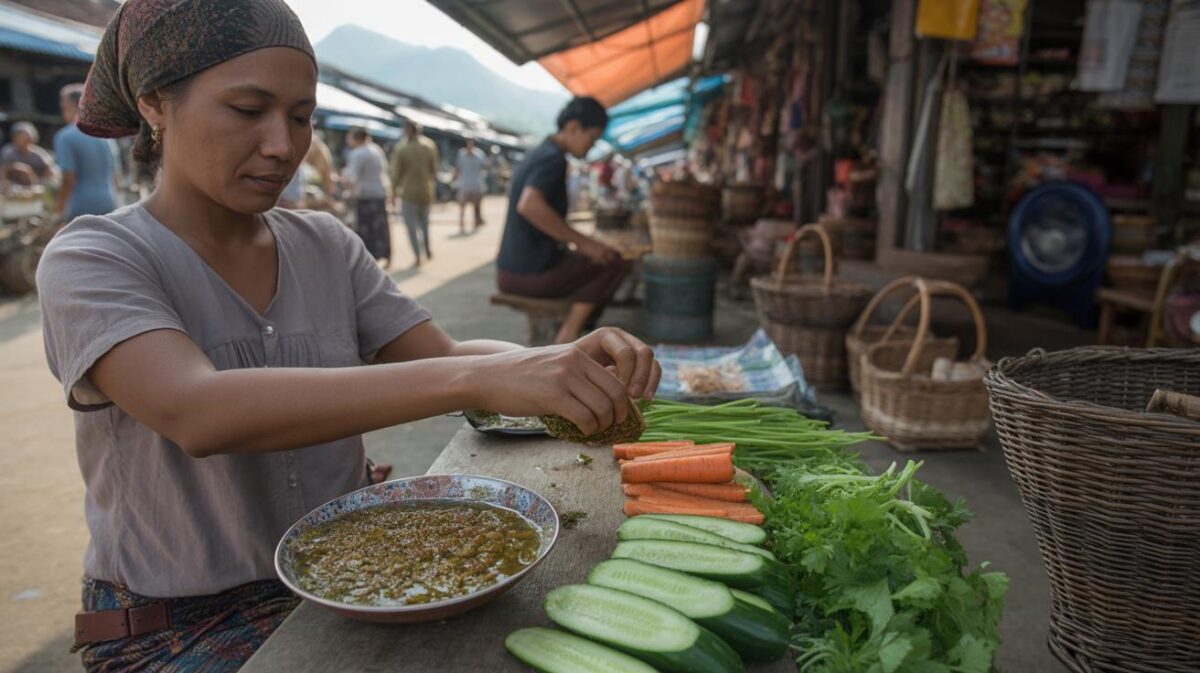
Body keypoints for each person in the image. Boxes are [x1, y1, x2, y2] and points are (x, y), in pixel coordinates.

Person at [36, 2, 661, 671]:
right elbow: (196, 409)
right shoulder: (93, 258)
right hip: (179, 625)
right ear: (156, 104)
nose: (283, 145)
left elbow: (446, 357)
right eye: (249, 110)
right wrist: (481, 378)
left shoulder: (324, 243)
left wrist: (560, 363)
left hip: (352, 578)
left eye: (301, 117)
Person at [497, 97, 628, 344]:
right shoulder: (553, 158)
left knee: (596, 259)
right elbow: (529, 205)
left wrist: (581, 242)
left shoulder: (540, 152)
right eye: (591, 138)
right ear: (573, 128)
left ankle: (571, 330)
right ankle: (568, 336)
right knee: (613, 263)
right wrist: (585, 243)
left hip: (512, 269)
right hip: (528, 273)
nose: (591, 147)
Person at [53, 83, 119, 219]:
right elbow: (116, 176)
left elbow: (68, 178)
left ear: (73, 106)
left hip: (81, 207)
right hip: (109, 202)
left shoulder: (65, 137)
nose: (63, 112)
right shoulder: (105, 136)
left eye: (63, 107)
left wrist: (59, 207)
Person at [389, 121, 438, 266]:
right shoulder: (429, 146)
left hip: (408, 193)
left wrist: (393, 193)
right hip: (426, 191)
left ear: (407, 131)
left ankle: (417, 255)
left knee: (411, 227)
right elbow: (434, 170)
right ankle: (427, 249)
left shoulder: (402, 148)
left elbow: (396, 174)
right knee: (424, 224)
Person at [342, 127, 393, 267]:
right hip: (380, 193)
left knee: (365, 229)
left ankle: (368, 260)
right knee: (381, 227)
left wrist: (342, 180)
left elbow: (352, 179)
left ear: (356, 138)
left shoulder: (358, 153)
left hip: (365, 196)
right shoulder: (376, 150)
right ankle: (386, 256)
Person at [454, 137, 487, 234]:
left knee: (476, 206)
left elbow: (483, 167)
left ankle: (476, 223)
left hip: (476, 185)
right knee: (462, 207)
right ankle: (462, 225)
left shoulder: (479, 155)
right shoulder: (461, 154)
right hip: (464, 185)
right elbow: (458, 168)